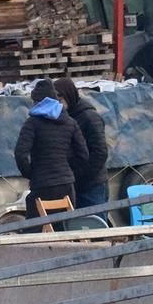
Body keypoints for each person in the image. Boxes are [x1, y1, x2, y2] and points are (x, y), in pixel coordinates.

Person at [14, 79, 89, 226]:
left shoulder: (32, 123)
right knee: (66, 229)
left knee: (36, 230)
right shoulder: (70, 122)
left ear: (38, 102)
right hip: (66, 185)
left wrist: (31, 173)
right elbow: (83, 155)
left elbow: (20, 153)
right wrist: (67, 171)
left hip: (42, 185)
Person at [54, 77, 108, 207]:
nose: (59, 105)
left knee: (94, 224)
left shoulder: (89, 117)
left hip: (92, 185)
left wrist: (81, 174)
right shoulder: (63, 118)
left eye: (60, 100)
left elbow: (100, 153)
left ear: (69, 95)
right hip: (73, 185)